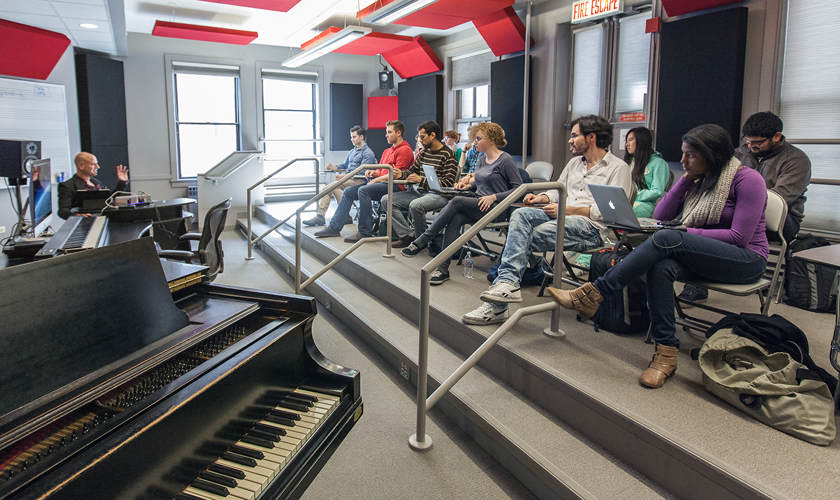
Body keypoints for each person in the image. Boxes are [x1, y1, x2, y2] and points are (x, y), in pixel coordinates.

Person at [549, 124, 769, 389]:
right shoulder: (700, 179)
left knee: (667, 238)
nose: (683, 161)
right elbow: (663, 215)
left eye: (690, 156)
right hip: (705, 255)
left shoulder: (748, 180)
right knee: (661, 265)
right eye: (683, 154)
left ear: (711, 155)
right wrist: (685, 180)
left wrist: (686, 232)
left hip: (745, 260)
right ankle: (666, 354)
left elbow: (739, 238)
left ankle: (596, 292)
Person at [462, 115, 631, 325]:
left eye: (574, 135)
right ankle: (507, 285)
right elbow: (557, 190)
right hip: (561, 214)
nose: (570, 140)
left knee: (523, 236)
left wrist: (566, 210)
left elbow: (613, 213)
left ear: (591, 138)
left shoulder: (618, 168)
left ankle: (500, 300)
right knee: (520, 214)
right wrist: (542, 197)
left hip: (591, 228)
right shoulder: (573, 164)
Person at [679, 111, 811, 303]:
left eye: (757, 143)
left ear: (777, 136)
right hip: (740, 211)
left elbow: (780, 198)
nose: (751, 146)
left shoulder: (797, 160)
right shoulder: (739, 153)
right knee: (709, 213)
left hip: (784, 220)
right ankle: (696, 284)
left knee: (720, 219)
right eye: (748, 141)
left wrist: (740, 198)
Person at [400, 123, 522, 286]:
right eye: (474, 139)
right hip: (477, 203)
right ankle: (443, 269)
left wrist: (494, 197)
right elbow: (480, 183)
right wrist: (468, 186)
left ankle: (424, 239)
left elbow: (519, 189)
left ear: (492, 140)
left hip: (496, 209)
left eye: (478, 139)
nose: (474, 142)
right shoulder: (481, 159)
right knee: (455, 218)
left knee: (456, 201)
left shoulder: (505, 160)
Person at [313, 121, 414, 241]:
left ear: (398, 133)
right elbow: (380, 171)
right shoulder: (387, 151)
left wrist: (376, 180)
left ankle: (364, 231)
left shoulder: (405, 150)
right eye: (386, 132)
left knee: (363, 190)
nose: (386, 135)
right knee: (349, 191)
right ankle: (334, 227)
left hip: (395, 186)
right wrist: (372, 173)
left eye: (389, 132)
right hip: (381, 183)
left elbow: (396, 175)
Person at [380, 121, 459, 249]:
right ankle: (407, 236)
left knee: (416, 205)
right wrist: (401, 174)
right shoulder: (425, 153)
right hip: (421, 193)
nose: (420, 140)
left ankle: (420, 241)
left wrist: (421, 180)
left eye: (422, 136)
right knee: (387, 200)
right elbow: (412, 171)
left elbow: (448, 183)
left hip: (440, 195)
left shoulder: (447, 154)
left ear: (432, 135)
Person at [304, 125, 375, 226]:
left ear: (361, 137)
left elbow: (362, 172)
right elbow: (344, 165)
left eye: (354, 137)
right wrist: (334, 167)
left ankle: (343, 215)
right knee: (327, 189)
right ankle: (322, 216)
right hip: (349, 179)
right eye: (351, 137)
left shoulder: (368, 153)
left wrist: (344, 176)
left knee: (334, 186)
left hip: (359, 180)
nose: (351, 139)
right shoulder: (352, 151)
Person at [57, 152, 129, 219]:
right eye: (93, 164)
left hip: (106, 218)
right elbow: (63, 211)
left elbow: (109, 201)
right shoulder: (68, 186)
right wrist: (78, 216)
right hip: (87, 223)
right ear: (81, 166)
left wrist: (122, 183)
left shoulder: (96, 182)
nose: (97, 167)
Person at [624, 127, 670, 218]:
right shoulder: (630, 162)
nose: (627, 144)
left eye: (630, 140)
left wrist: (632, 195)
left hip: (644, 204)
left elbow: (657, 191)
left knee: (619, 213)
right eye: (626, 141)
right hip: (626, 200)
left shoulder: (659, 163)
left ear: (641, 141)